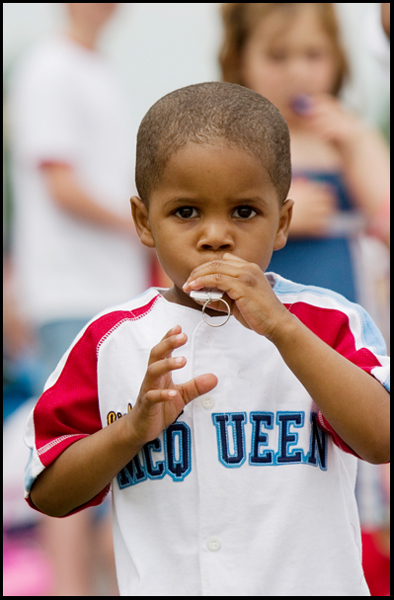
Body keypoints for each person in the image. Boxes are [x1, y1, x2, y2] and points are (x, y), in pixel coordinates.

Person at [24, 82, 390, 596]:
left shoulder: (327, 321)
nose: (215, 235)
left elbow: (382, 438)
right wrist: (129, 432)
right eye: (186, 212)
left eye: (244, 211)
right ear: (143, 221)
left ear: (282, 222)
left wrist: (283, 328)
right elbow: (47, 493)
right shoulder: (113, 340)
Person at [7, 3, 152, 396]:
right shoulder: (51, 67)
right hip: (68, 291)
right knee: (70, 440)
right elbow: (61, 185)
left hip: (108, 289)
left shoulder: (95, 69)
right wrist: (147, 227)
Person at [219, 3, 390, 304]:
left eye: (314, 55)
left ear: (338, 57)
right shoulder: (230, 143)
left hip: (343, 317)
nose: (298, 72)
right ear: (241, 59)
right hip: (259, 322)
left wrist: (357, 149)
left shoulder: (352, 136)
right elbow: (206, 235)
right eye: (277, 56)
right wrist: (275, 221)